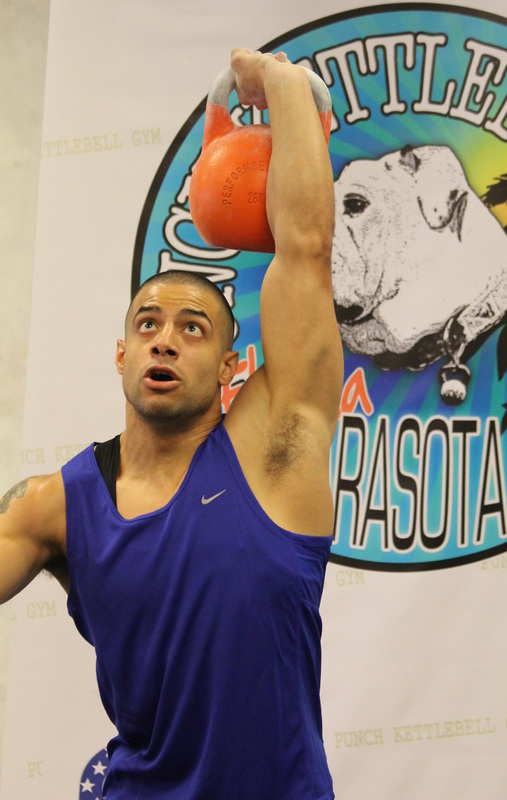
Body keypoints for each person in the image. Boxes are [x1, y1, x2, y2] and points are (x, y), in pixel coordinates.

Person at [0, 48, 344, 799]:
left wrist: (283, 86)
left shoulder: (276, 452)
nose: (164, 339)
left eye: (193, 329)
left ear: (230, 365)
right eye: (148, 324)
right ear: (122, 353)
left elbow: (305, 250)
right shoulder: (53, 505)